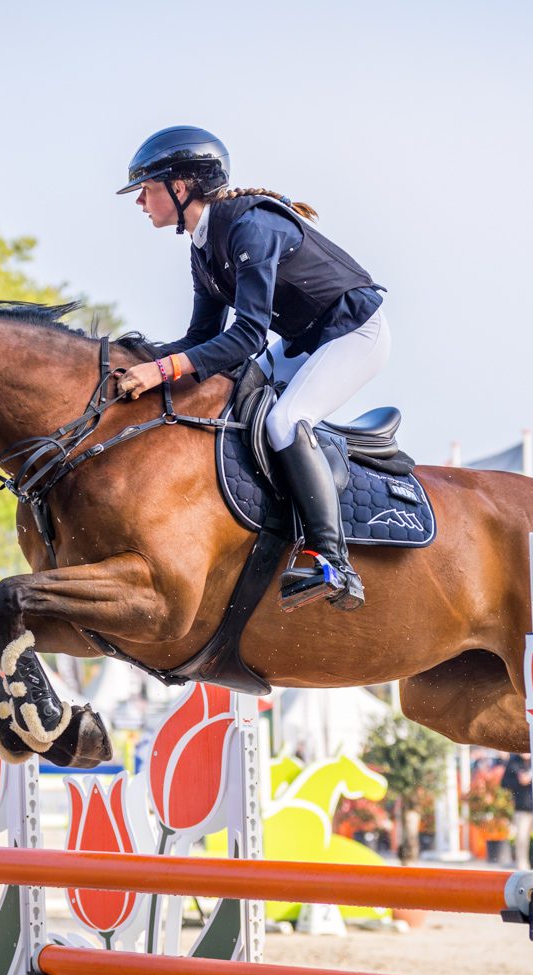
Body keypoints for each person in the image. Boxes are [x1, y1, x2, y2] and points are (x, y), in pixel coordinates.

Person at [114, 126, 390, 612]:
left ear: (181, 188)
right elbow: (202, 340)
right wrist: (133, 360)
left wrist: (161, 371)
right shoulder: (203, 245)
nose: (139, 201)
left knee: (285, 420)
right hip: (307, 340)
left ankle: (332, 561)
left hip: (354, 332)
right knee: (232, 399)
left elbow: (246, 338)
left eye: (146, 188)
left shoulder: (248, 228)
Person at [500, 753, 533, 871]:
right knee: (521, 839)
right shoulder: (514, 761)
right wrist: (519, 781)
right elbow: (504, 783)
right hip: (522, 808)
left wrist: (532, 779)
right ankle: (523, 867)